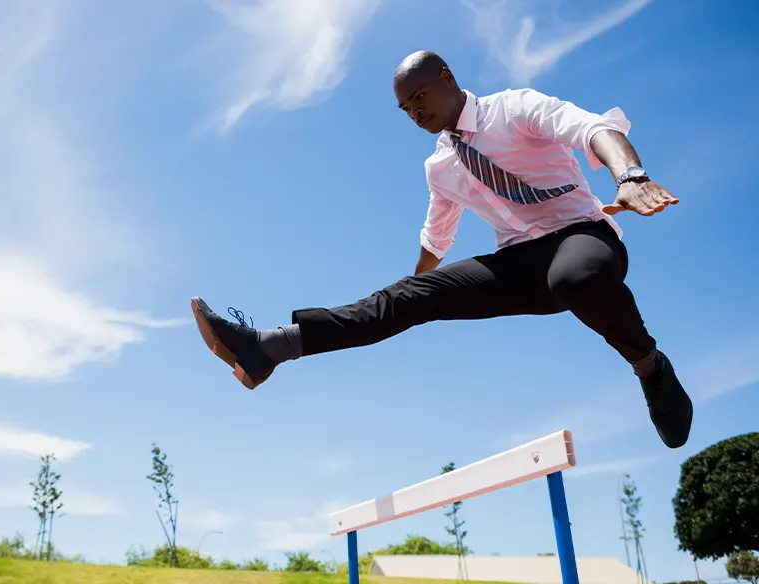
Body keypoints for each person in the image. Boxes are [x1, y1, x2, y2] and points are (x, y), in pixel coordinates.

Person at [189, 50, 694, 449]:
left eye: (420, 97)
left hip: (583, 238)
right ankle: (272, 345)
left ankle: (650, 366)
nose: (415, 113)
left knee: (574, 277)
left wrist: (630, 176)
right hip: (519, 264)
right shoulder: (441, 166)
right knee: (407, 296)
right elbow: (436, 238)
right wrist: (415, 288)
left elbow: (592, 129)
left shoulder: (514, 108)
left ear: (447, 77)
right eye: (406, 110)